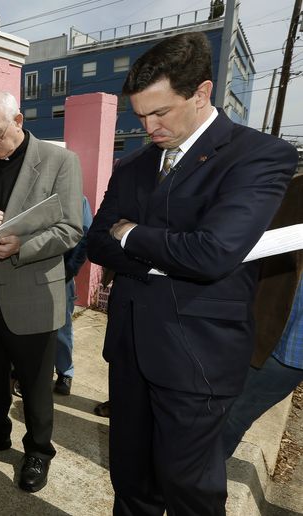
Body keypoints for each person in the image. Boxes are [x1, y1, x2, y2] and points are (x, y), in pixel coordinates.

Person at [86, 31, 297, 516]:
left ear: (201, 93)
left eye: (160, 112)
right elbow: (97, 241)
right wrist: (163, 253)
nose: (148, 125)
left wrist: (132, 233)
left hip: (197, 357)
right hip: (131, 347)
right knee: (130, 481)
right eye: (139, 115)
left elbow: (214, 253)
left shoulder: (258, 156)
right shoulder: (135, 162)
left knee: (190, 493)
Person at [0, 90, 83, 493]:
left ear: (19, 120)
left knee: (36, 383)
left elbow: (71, 230)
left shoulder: (61, 161)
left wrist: (22, 246)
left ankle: (39, 451)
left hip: (32, 293)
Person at [223, 173, 303, 459]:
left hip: (290, 350)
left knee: (231, 417)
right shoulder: (295, 188)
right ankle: (191, 485)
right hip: (272, 335)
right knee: (226, 416)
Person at [54, 195, 92, 395]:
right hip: (31, 274)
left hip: (62, 274)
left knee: (61, 326)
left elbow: (86, 236)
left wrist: (70, 270)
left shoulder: (78, 199)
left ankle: (64, 372)